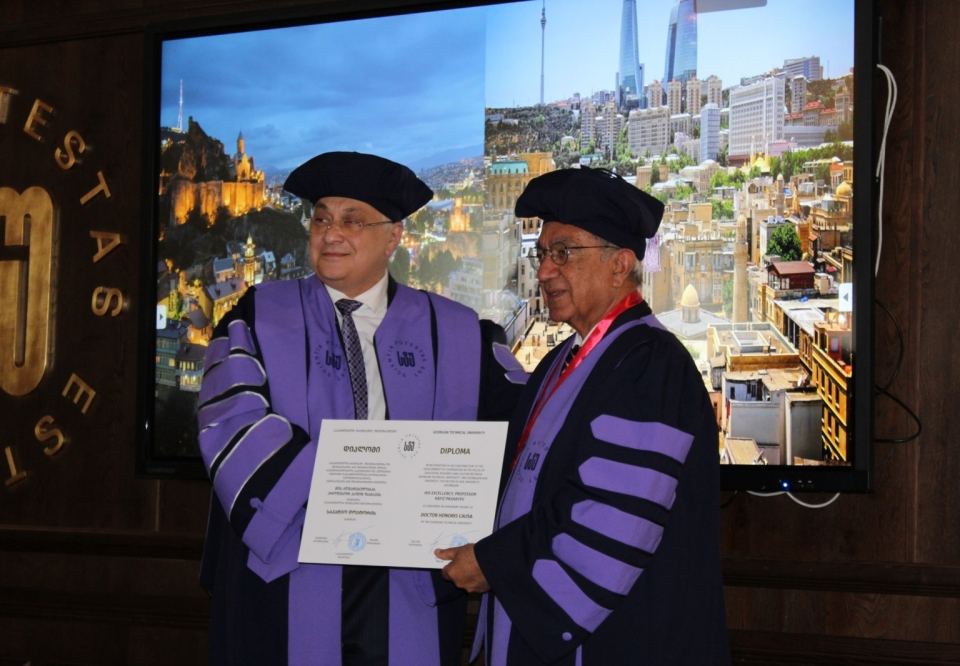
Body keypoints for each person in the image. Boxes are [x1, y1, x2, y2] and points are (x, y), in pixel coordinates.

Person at [197, 151, 525, 666]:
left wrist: (492, 548)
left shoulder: (459, 333)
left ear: (393, 237)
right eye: (321, 219)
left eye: (352, 221)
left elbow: (522, 442)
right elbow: (230, 419)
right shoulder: (257, 317)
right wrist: (363, 482)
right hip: (286, 579)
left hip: (411, 587)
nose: (331, 234)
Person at [436, 167, 730, 665]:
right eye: (542, 254)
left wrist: (493, 562)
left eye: (564, 253)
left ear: (620, 264)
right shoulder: (563, 361)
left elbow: (611, 518)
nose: (544, 272)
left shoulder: (651, 365)